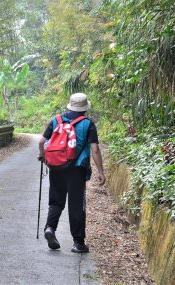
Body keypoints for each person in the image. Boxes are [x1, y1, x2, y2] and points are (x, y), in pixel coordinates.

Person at [38, 92, 106, 253]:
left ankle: (50, 228)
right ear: (85, 108)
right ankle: (78, 243)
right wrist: (101, 172)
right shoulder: (88, 124)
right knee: (76, 205)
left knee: (56, 201)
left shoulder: (57, 120)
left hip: (56, 167)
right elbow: (95, 150)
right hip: (77, 169)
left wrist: (44, 156)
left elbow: (42, 142)